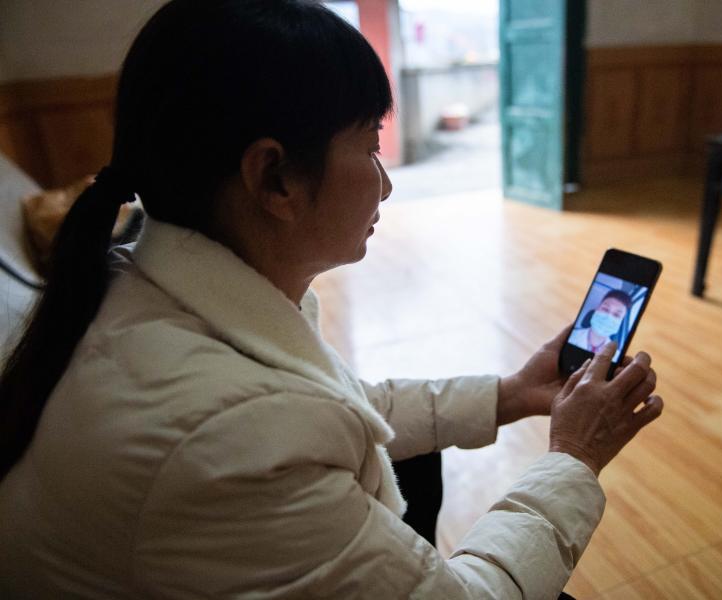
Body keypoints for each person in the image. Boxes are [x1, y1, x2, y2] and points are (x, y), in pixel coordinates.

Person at [0, 1, 663, 597]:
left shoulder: (135, 283)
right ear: (274, 178)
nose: (386, 183)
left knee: (417, 466)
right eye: (370, 146)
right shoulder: (231, 434)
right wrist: (572, 458)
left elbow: (338, 409)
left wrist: (511, 394)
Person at [569, 289, 633, 354]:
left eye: (617, 315)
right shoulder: (571, 335)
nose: (608, 317)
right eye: (605, 309)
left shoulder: (616, 355)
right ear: (596, 309)